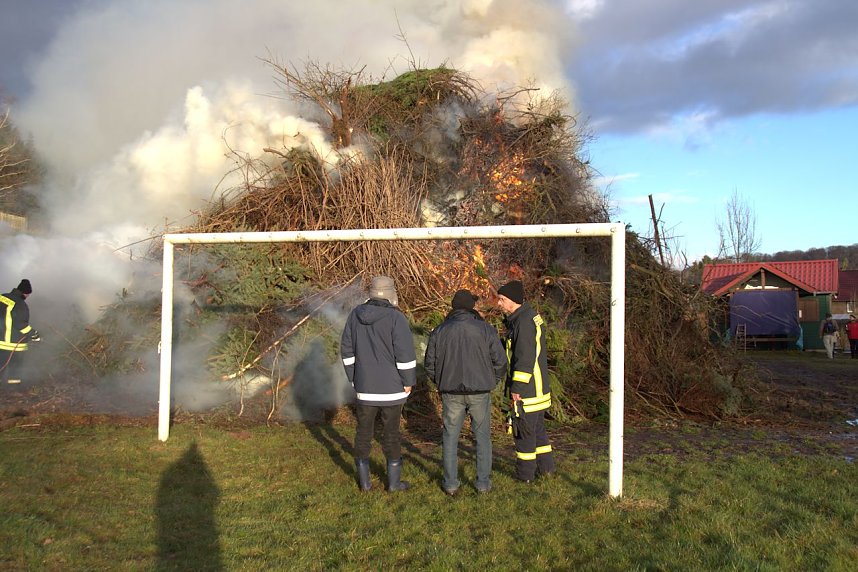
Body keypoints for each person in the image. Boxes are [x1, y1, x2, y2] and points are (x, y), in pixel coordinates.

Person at [424, 289, 507, 496]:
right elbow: (501, 361)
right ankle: (483, 484)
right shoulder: (485, 329)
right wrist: (491, 381)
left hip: (450, 392)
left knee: (450, 437)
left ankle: (451, 484)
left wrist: (441, 381)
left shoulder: (440, 331)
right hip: (479, 391)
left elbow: (430, 364)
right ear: (471, 307)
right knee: (482, 438)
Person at [341, 276, 417, 492]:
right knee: (391, 435)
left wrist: (354, 377)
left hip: (365, 389)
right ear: (391, 293)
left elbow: (346, 350)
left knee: (363, 433)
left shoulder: (355, 315)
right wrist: (408, 381)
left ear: (371, 292)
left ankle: (365, 484)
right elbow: (405, 354)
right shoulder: (396, 318)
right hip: (392, 390)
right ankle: (393, 484)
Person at [496, 280, 555, 483]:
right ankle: (546, 470)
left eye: (502, 299)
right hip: (538, 390)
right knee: (538, 433)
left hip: (527, 393)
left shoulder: (523, 323)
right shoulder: (528, 318)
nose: (499, 304)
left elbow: (524, 357)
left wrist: (517, 388)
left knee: (524, 435)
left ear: (513, 301)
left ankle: (525, 477)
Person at [0, 279, 40, 385]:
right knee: (15, 368)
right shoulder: (20, 305)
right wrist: (34, 335)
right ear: (26, 293)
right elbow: (21, 325)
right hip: (12, 344)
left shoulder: (2, 297)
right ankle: (13, 390)